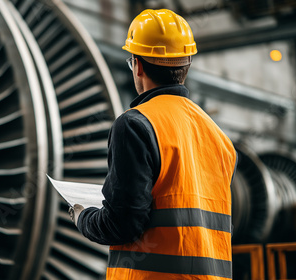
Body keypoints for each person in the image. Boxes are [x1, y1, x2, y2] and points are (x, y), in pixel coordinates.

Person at [69, 9, 238, 280]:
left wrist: (82, 218)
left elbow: (122, 224)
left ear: (137, 65)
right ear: (186, 64)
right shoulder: (220, 139)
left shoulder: (135, 124)